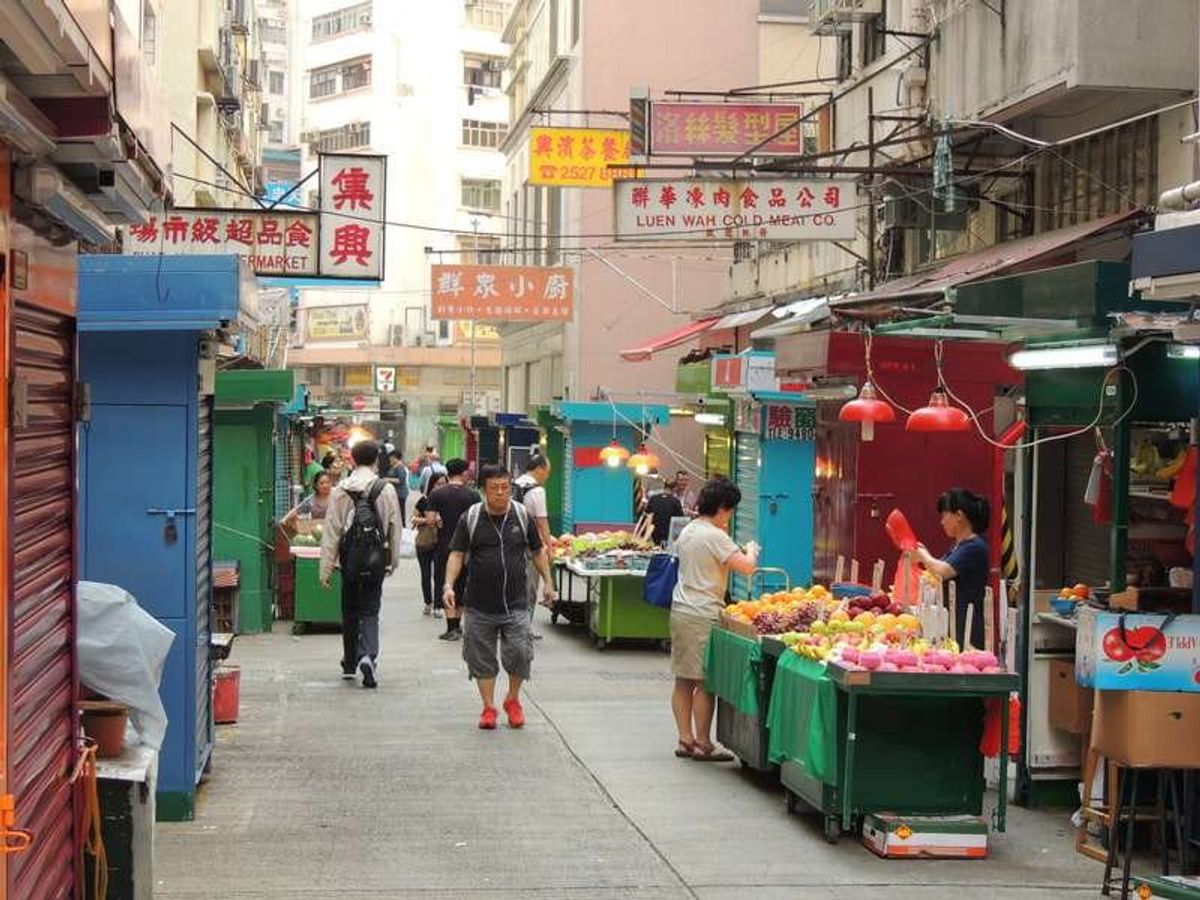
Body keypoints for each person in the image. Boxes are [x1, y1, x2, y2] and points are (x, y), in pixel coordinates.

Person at [443, 465, 556, 730]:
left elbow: (537, 551)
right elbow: (456, 554)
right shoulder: (471, 518)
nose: (501, 493)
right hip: (479, 604)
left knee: (520, 652)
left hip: (516, 602)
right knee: (480, 657)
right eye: (494, 488)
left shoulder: (522, 515)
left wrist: (548, 582)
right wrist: (448, 585)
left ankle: (512, 699)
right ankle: (488, 707)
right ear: (483, 490)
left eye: (505, 487)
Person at [670, 477, 759, 761]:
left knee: (683, 679)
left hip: (681, 610)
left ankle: (685, 739)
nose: (730, 516)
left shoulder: (689, 530)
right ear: (722, 508)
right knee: (705, 682)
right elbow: (746, 567)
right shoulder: (714, 536)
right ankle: (702, 743)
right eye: (730, 510)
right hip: (703, 613)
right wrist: (752, 550)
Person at [319, 441, 402, 689]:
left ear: (352, 460)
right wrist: (392, 560)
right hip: (376, 558)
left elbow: (332, 531)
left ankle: (349, 662)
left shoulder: (340, 490)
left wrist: (325, 568)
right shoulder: (386, 489)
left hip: (350, 559)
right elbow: (394, 527)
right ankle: (368, 655)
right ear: (376, 460)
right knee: (371, 609)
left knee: (350, 609)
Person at [914, 488, 990, 650]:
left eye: (944, 515)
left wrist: (923, 555)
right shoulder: (958, 547)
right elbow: (935, 569)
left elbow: (942, 571)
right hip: (952, 626)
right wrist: (923, 553)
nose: (942, 522)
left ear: (959, 516)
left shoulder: (974, 547)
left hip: (967, 630)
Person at [425, 458, 480, 641]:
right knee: (462, 584)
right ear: (463, 473)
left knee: (447, 582)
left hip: (444, 545)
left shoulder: (437, 494)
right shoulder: (473, 495)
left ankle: (451, 627)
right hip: (467, 547)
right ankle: (459, 623)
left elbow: (430, 520)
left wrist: (439, 521)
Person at [514, 452, 552, 637]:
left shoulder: (515, 483)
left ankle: (510, 625)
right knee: (530, 587)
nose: (547, 477)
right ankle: (524, 628)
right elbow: (542, 522)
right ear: (539, 469)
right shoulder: (537, 490)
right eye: (547, 472)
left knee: (513, 585)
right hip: (530, 546)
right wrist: (549, 547)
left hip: (511, 542)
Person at [411, 470, 449, 618]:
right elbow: (413, 519)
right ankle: (428, 602)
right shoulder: (423, 500)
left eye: (444, 484)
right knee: (425, 574)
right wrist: (429, 520)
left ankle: (438, 605)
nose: (441, 487)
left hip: (441, 542)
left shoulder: (448, 501)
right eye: (438, 484)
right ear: (431, 484)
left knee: (439, 575)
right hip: (424, 542)